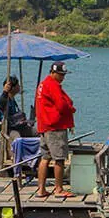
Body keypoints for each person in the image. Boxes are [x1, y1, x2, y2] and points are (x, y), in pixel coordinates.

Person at [34, 62, 76, 198]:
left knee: (45, 157)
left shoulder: (43, 84)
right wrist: (71, 108)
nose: (62, 77)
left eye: (64, 75)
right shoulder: (52, 85)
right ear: (53, 72)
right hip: (54, 126)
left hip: (44, 126)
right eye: (60, 74)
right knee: (59, 158)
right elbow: (62, 105)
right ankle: (58, 189)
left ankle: (41, 189)